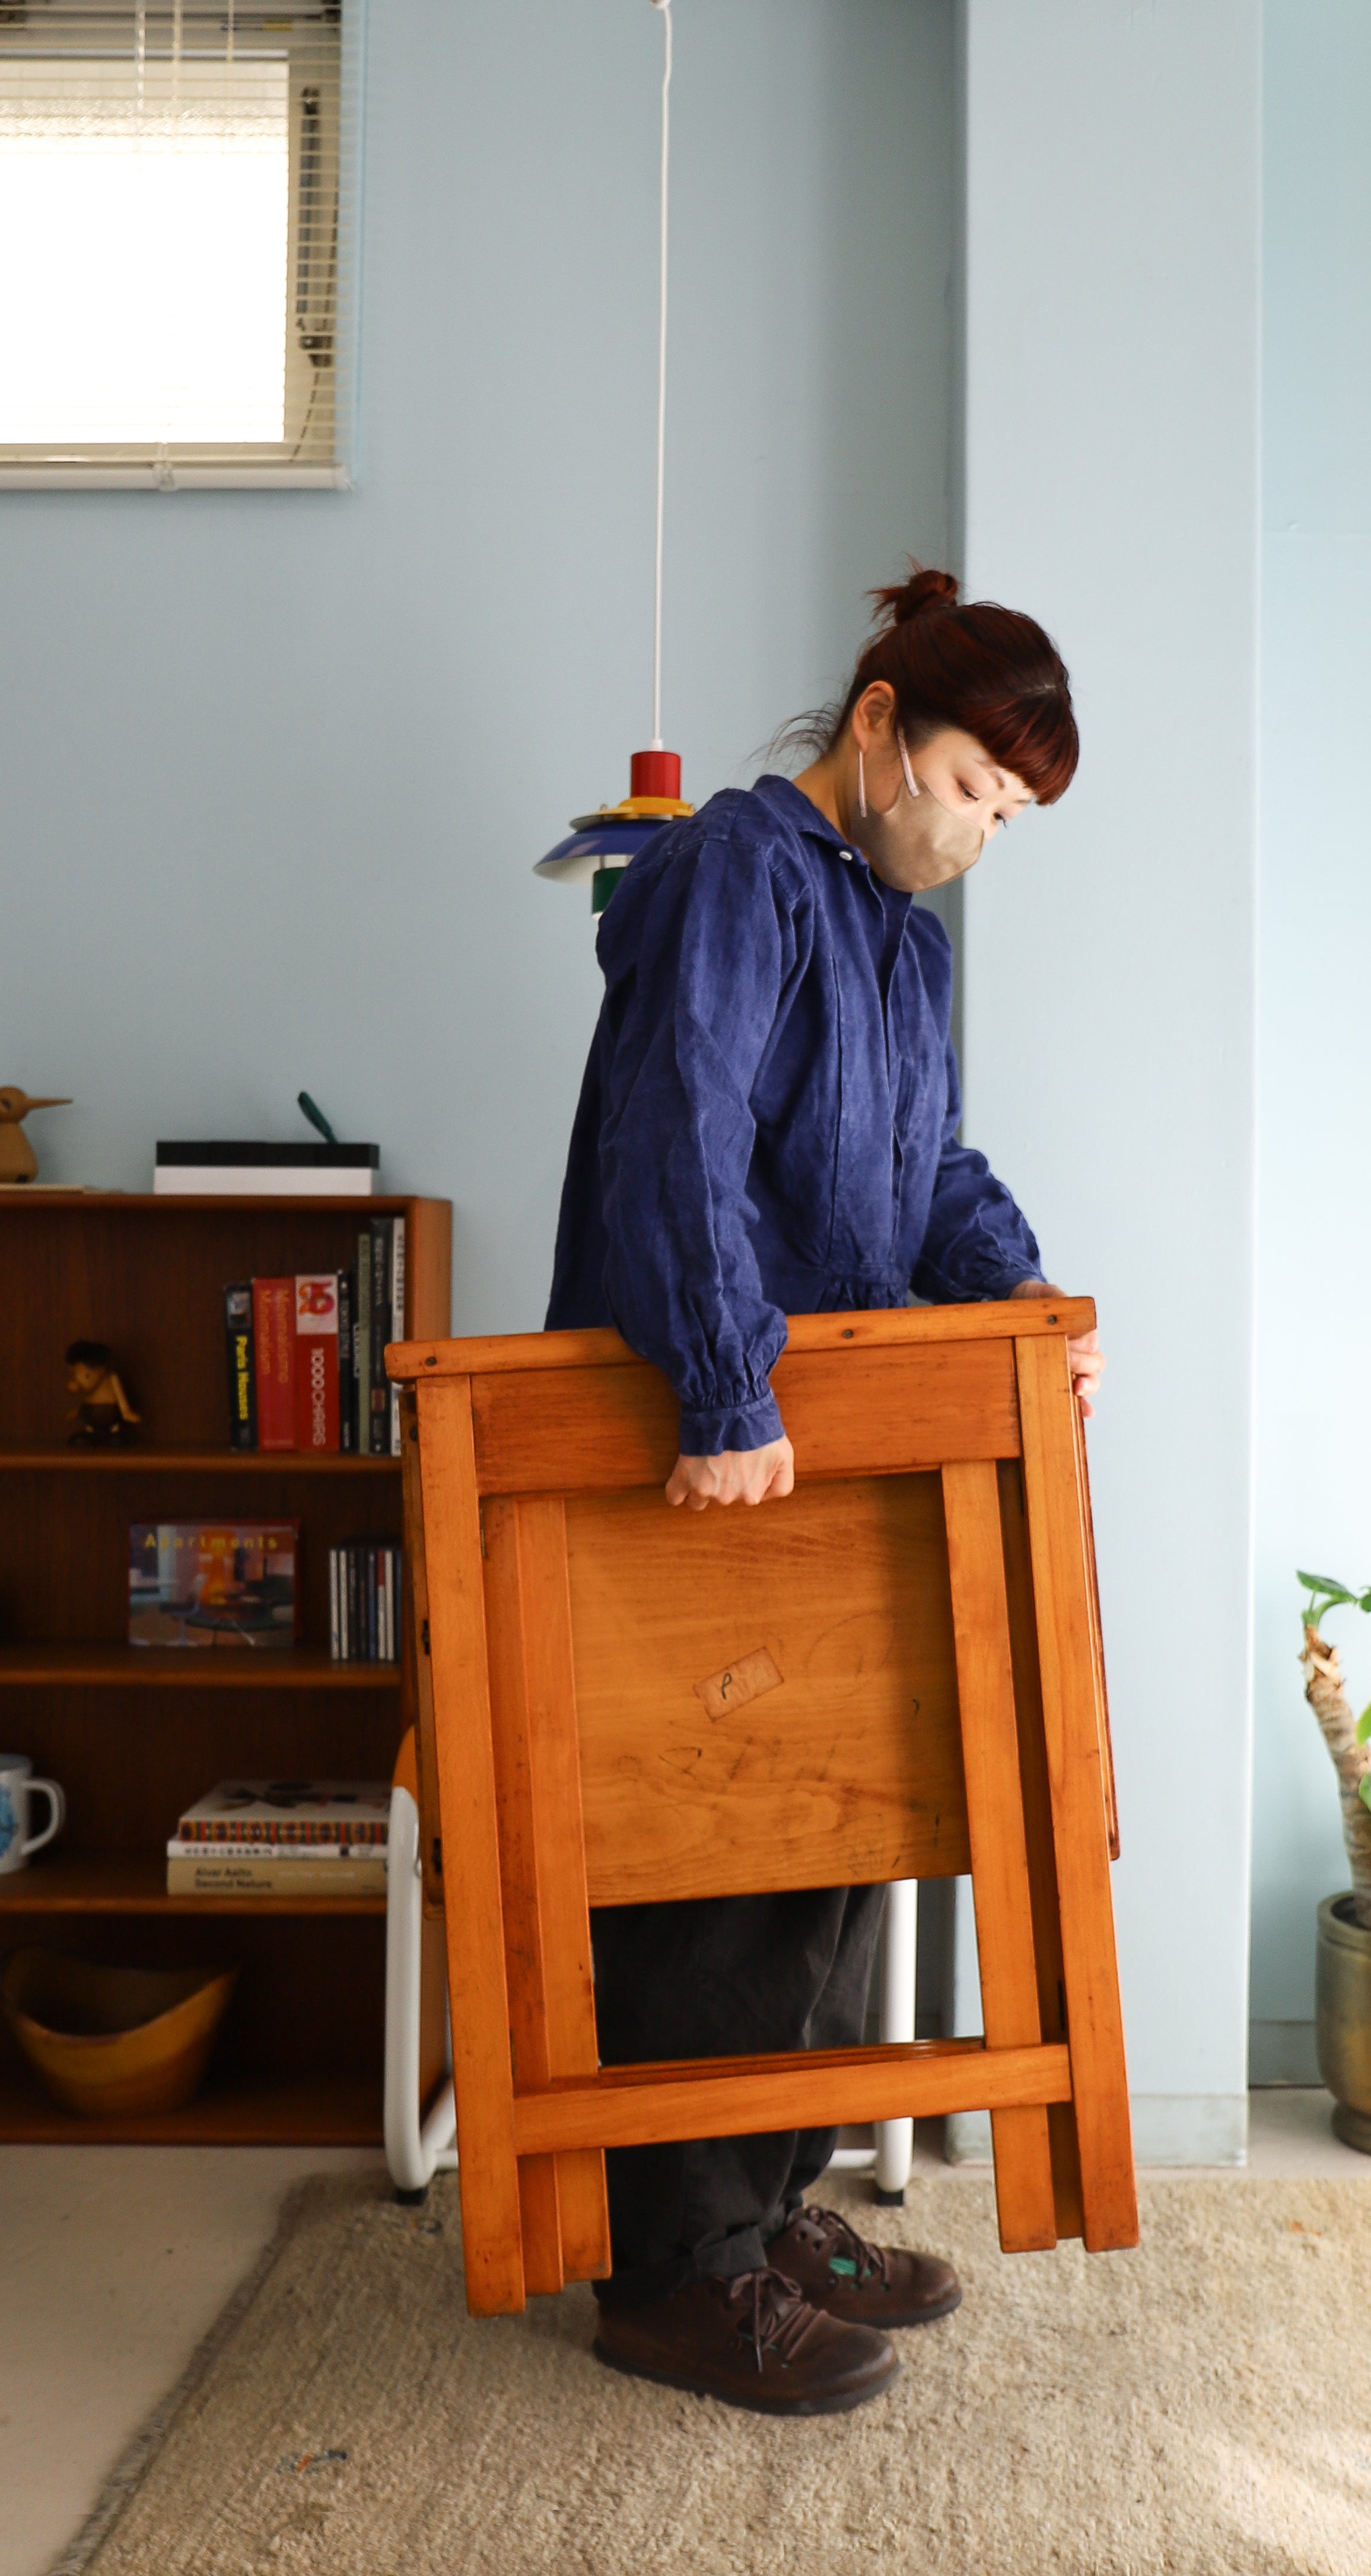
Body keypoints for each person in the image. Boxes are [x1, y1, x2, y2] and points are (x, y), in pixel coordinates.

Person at [546, 568, 1101, 2415]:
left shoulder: (904, 940)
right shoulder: (730, 874)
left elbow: (927, 1167)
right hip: (704, 1448)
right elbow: (679, 1129)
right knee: (713, 1845)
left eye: (1007, 820)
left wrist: (1024, 1301)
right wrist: (719, 1386)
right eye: (967, 787)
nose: (974, 838)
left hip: (833, 1448)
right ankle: (674, 2279)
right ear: (877, 728)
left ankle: (776, 2210)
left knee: (838, 1828)